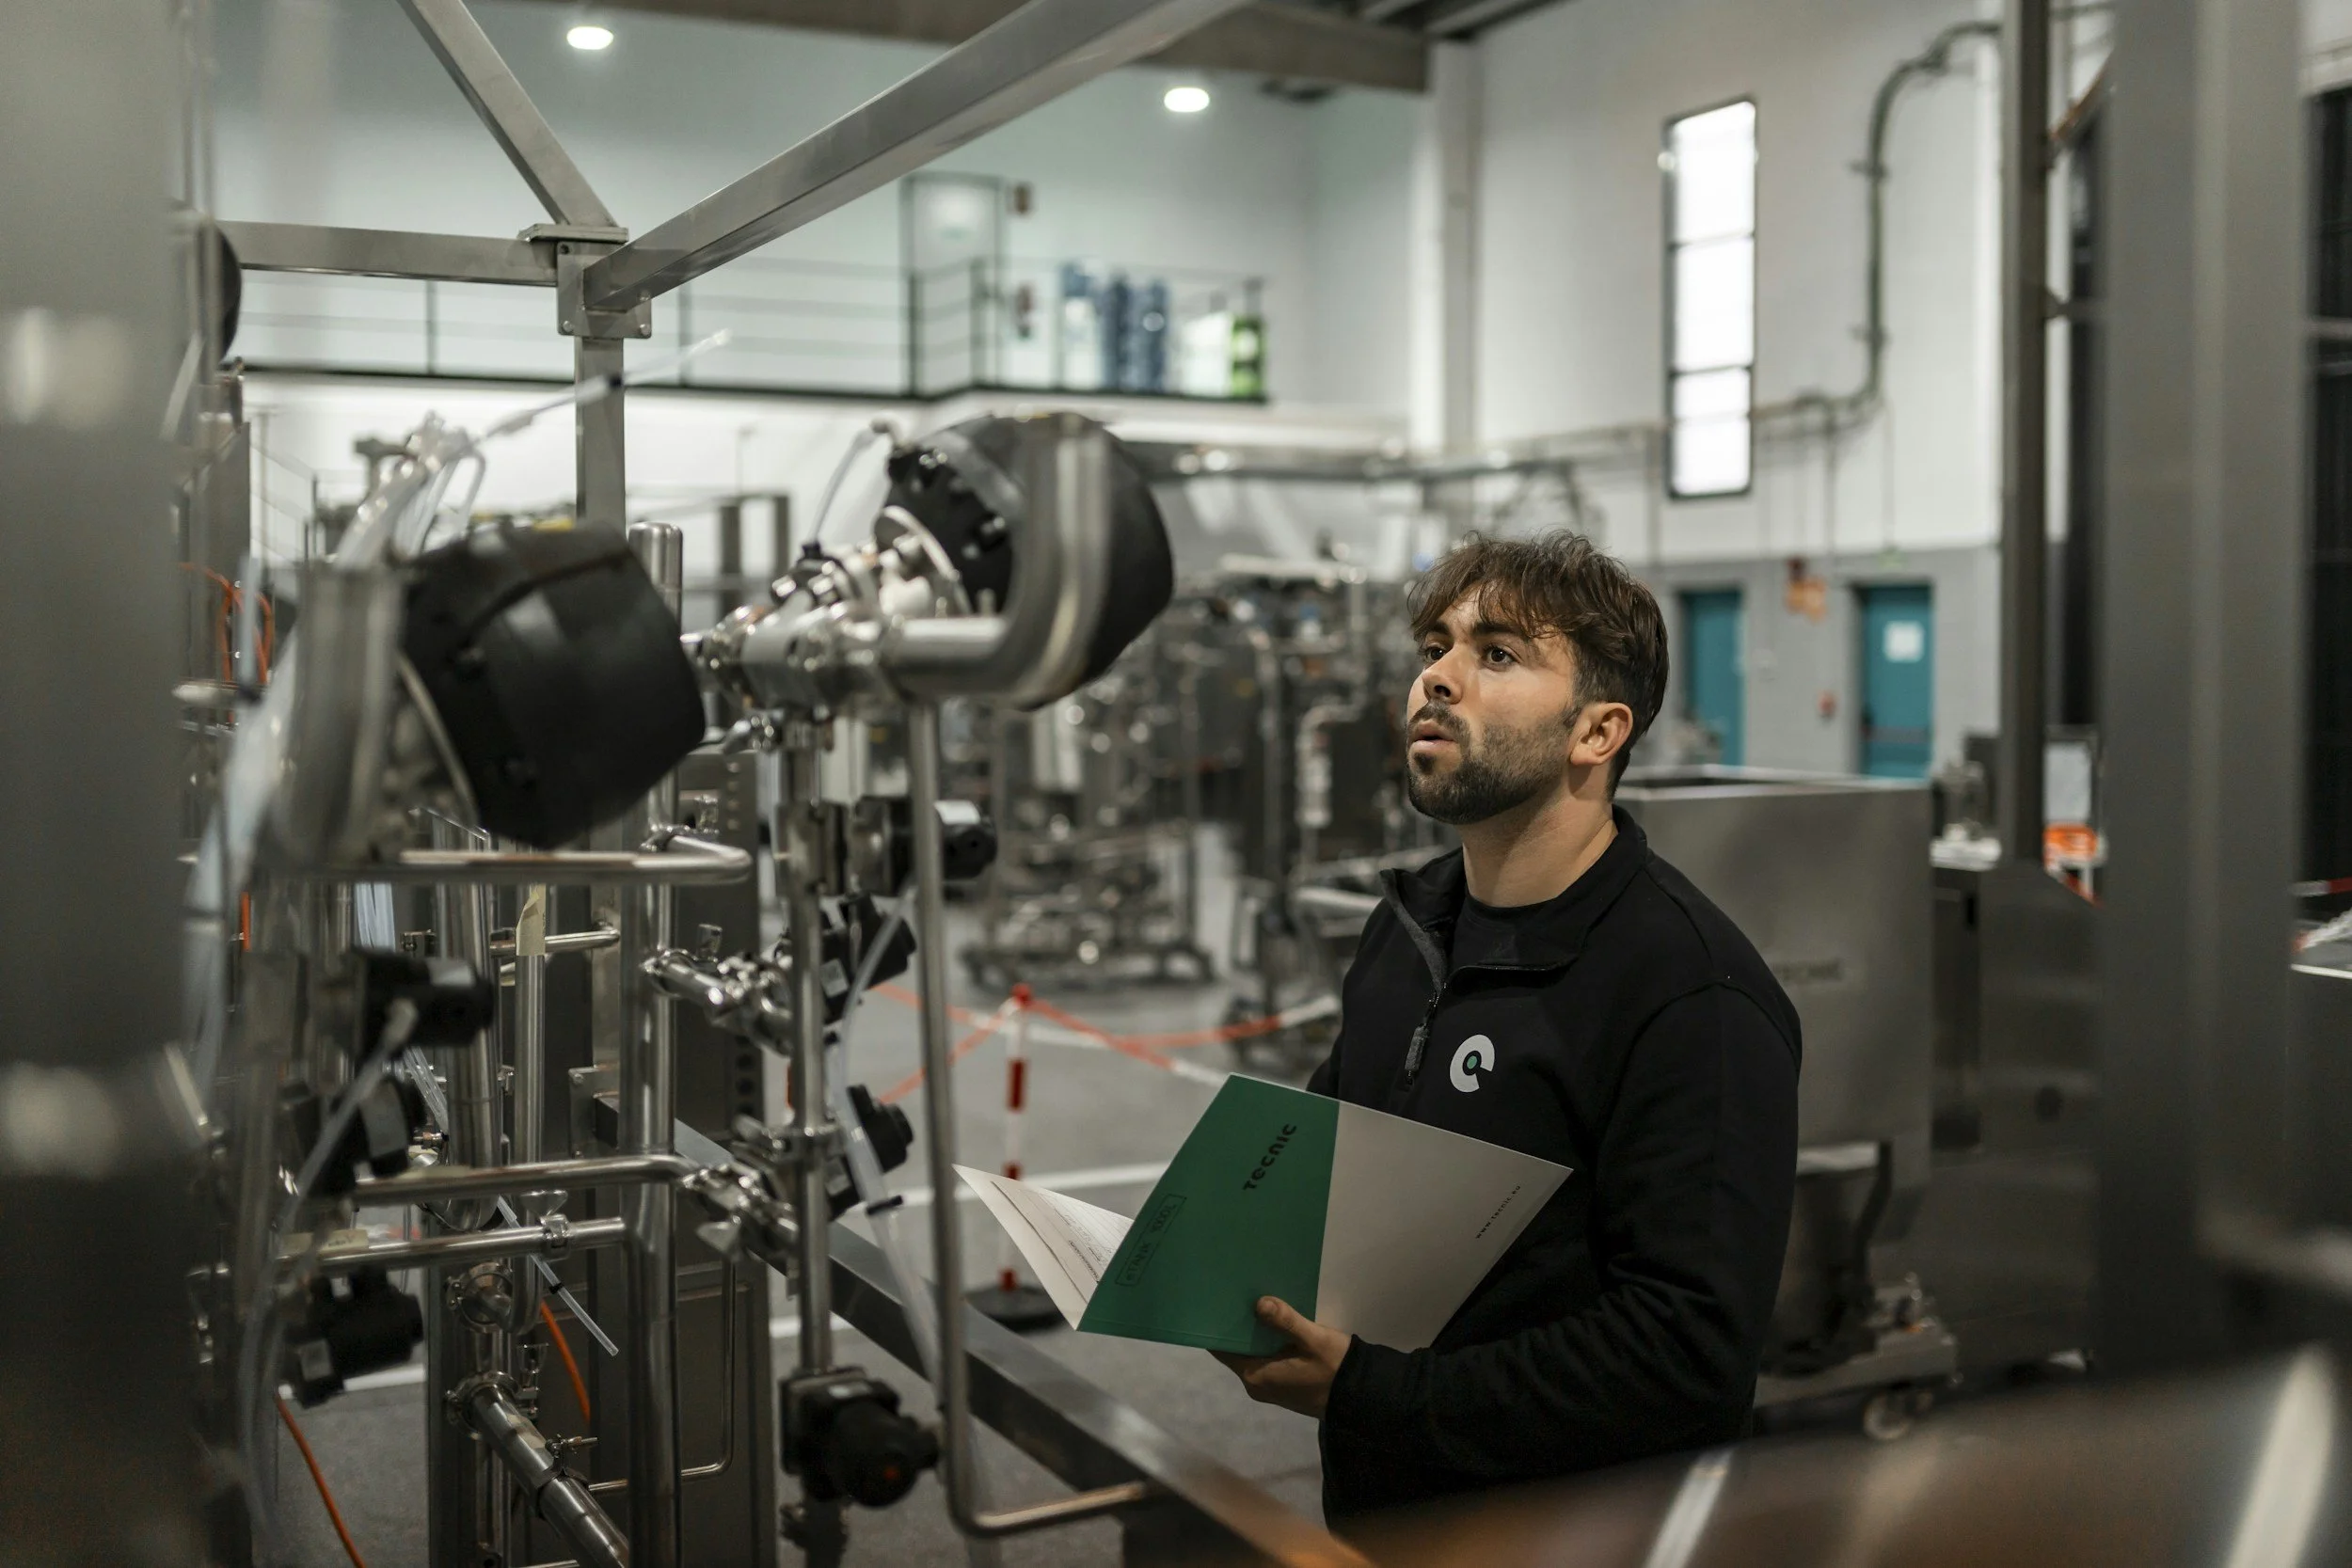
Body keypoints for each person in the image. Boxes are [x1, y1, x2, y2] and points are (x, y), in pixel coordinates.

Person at [1212, 531, 1801, 1525]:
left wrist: (1371, 1391)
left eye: (1495, 654)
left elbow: (1686, 1356)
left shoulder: (1689, 990)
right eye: (1433, 645)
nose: (1436, 678)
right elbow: (1338, 1151)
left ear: (1597, 731)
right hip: (1385, 1512)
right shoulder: (1406, 930)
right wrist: (1217, 1256)